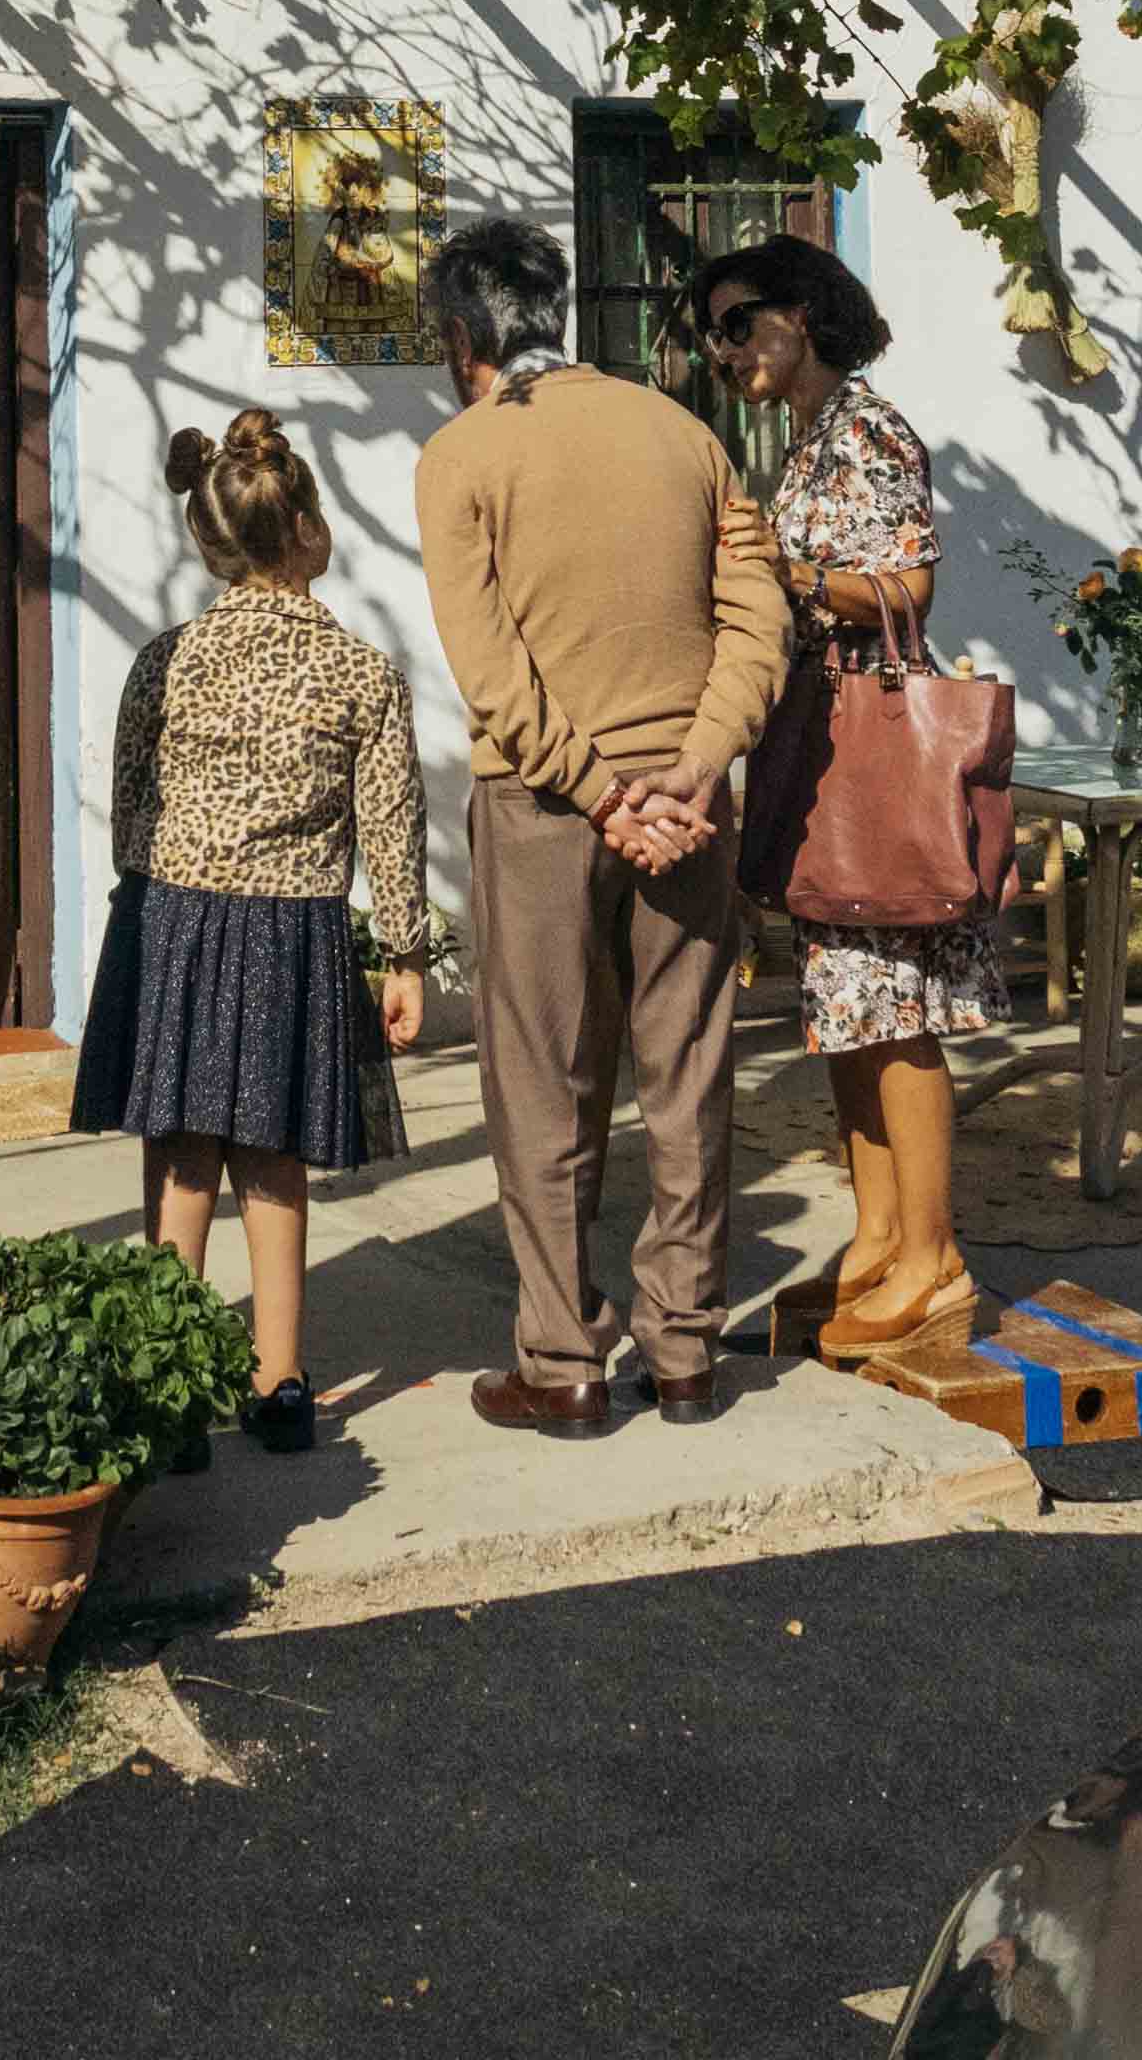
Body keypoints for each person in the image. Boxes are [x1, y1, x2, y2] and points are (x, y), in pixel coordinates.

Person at [409, 216, 783, 1434]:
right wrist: (695, 766)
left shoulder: (460, 457)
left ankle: (564, 1359)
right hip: (690, 803)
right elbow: (757, 623)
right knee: (687, 1073)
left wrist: (607, 791)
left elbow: (494, 674)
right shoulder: (688, 436)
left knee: (542, 1082)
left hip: (545, 805)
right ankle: (685, 1351)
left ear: (464, 335)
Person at [70, 409, 431, 1458]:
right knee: (272, 1153)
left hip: (174, 917)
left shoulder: (164, 660)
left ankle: (163, 1380)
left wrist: (161, 886)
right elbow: (391, 827)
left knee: (181, 1149)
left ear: (211, 540)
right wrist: (402, 953)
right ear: (309, 527)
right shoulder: (364, 672)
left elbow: (130, 808)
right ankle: (280, 1382)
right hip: (293, 931)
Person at [695, 231, 990, 1358]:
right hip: (826, 749)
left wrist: (790, 572)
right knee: (851, 1007)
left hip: (874, 752)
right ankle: (878, 1240)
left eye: (737, 324)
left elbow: (911, 582)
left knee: (899, 1010)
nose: (724, 352)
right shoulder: (813, 439)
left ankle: (935, 1256)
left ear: (799, 316)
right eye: (713, 334)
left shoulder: (865, 429)